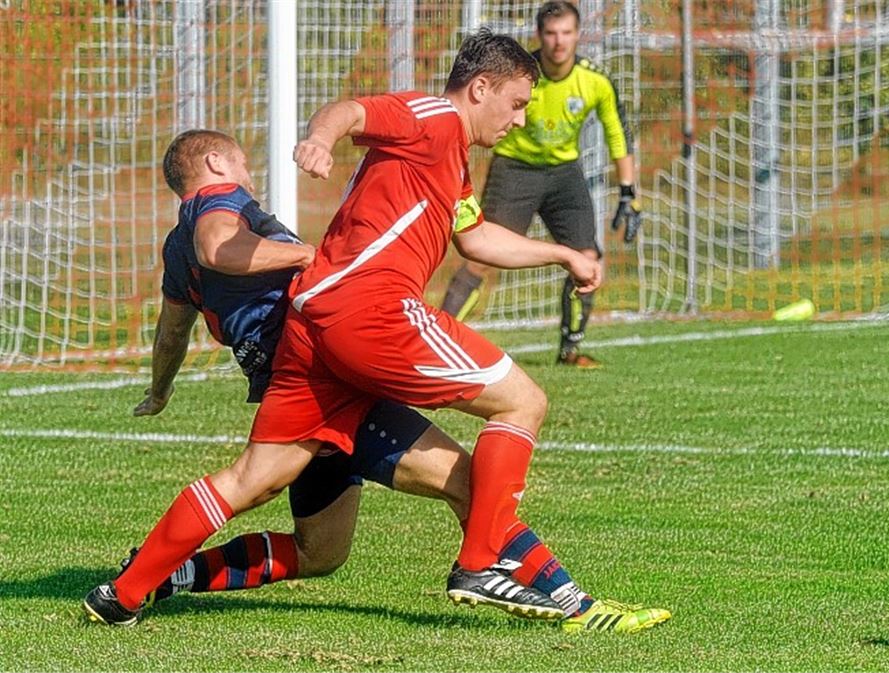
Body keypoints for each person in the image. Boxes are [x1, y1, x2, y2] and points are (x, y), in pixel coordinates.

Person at [83, 116, 668, 631]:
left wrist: (159, 390)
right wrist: (310, 257)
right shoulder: (221, 204)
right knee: (471, 479)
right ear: (214, 162)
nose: (247, 171)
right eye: (238, 158)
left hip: (301, 379)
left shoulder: (173, 246)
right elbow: (220, 249)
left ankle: (149, 580)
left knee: (318, 551)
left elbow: (171, 329)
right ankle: (574, 602)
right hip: (328, 374)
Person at [440, 1, 642, 369]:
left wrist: (628, 191)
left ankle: (570, 350)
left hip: (565, 174)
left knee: (588, 258)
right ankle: (440, 340)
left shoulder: (595, 80)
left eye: (566, 32)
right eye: (550, 33)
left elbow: (617, 131)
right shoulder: (523, 77)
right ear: (540, 36)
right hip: (515, 169)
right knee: (480, 257)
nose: (558, 41)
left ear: (578, 35)